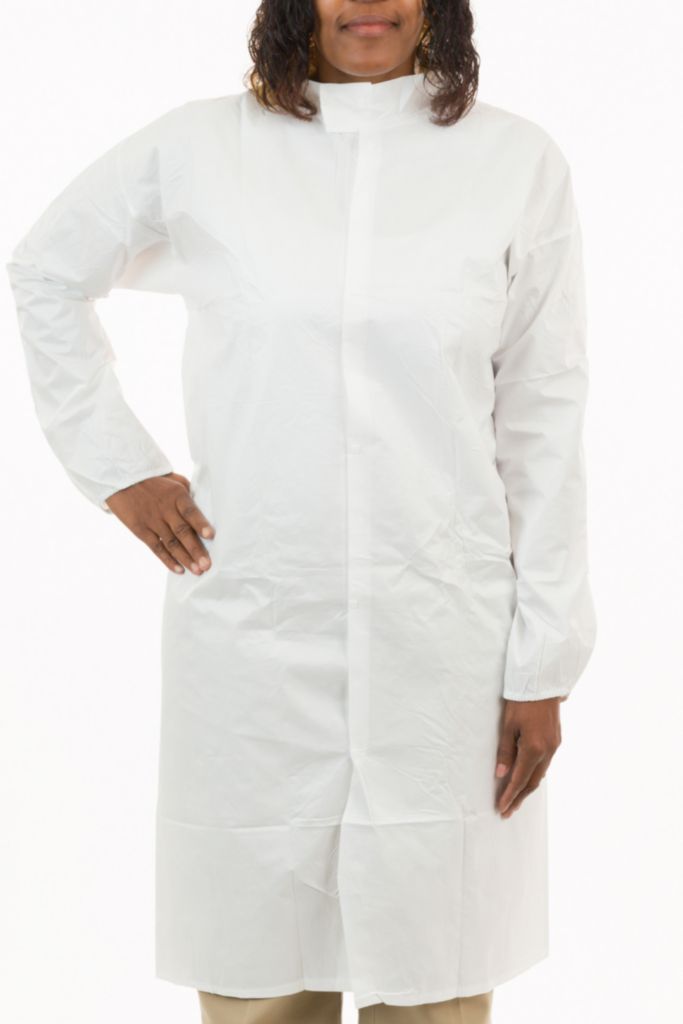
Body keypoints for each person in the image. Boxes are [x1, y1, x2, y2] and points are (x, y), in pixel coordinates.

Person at [5, 1, 597, 1022]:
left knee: (432, 979)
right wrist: (120, 469)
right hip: (256, 635)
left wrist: (543, 662)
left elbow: (543, 414)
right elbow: (46, 271)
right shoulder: (202, 148)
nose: (366, 3)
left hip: (441, 639)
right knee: (259, 976)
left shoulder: (512, 162)